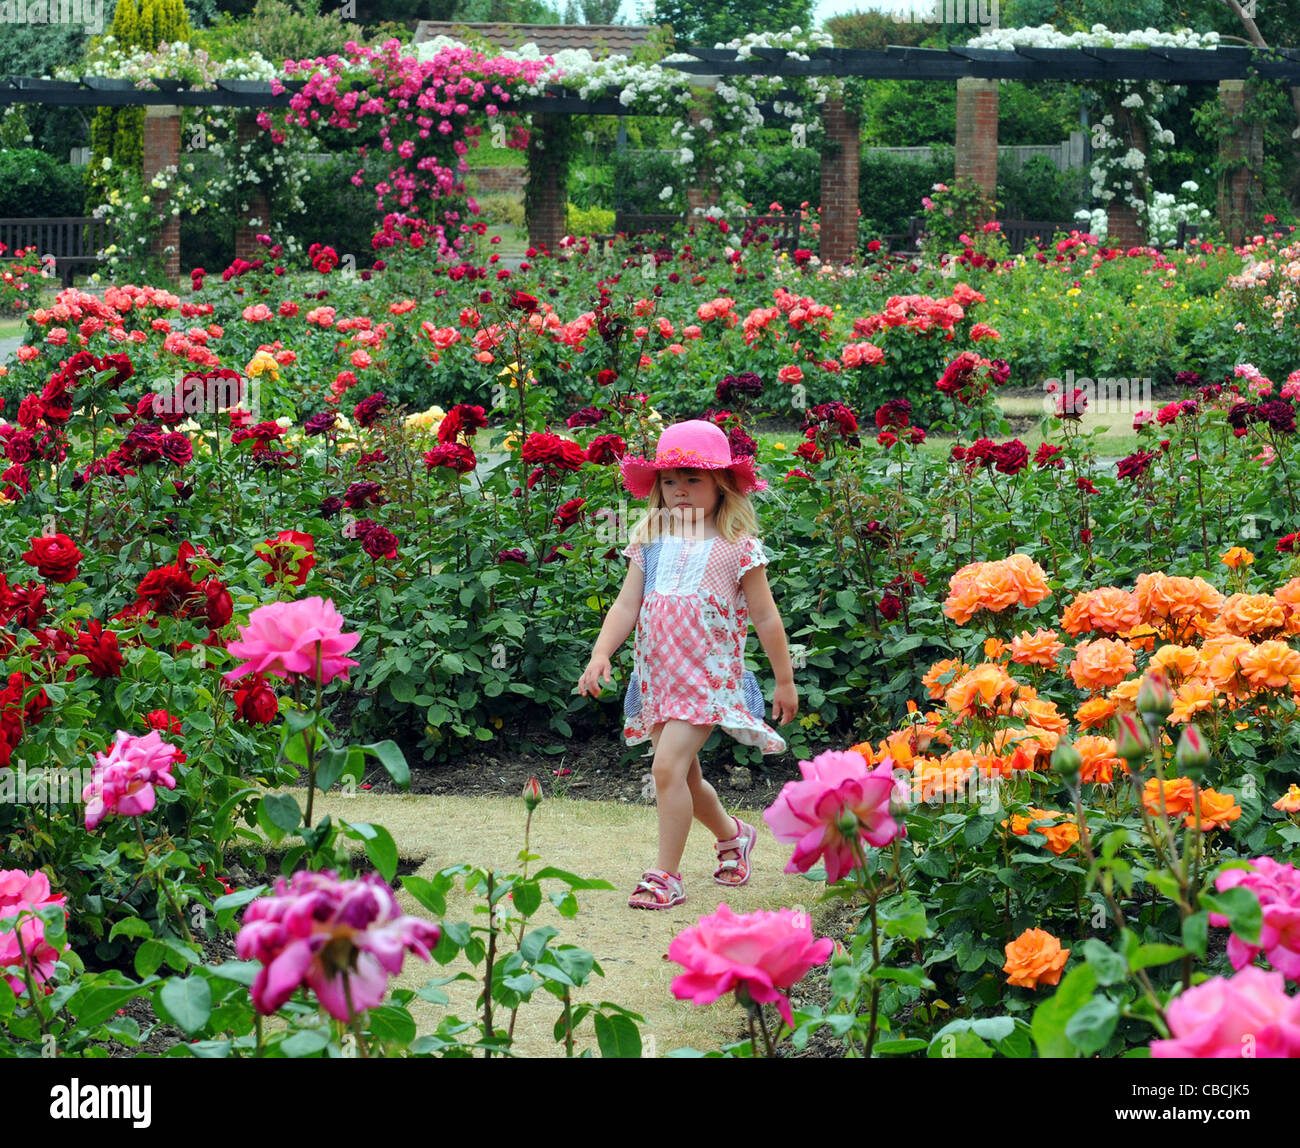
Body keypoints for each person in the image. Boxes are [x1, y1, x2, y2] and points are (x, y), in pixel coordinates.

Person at [577, 419, 798, 909]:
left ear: (722, 486)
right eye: (670, 480)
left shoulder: (738, 545)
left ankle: (665, 875)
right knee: (685, 777)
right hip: (658, 677)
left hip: (708, 680)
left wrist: (784, 680)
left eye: (693, 480)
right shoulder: (650, 541)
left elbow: (765, 616)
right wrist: (601, 653)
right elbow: (626, 605)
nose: (679, 490)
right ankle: (733, 835)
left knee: (666, 768)